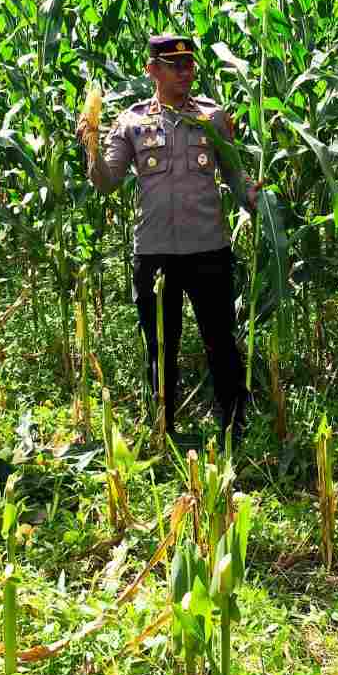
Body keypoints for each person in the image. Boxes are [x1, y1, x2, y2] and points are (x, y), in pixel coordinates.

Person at [76, 34, 254, 442]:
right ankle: (163, 429)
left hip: (208, 249)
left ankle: (234, 427)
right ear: (152, 70)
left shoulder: (212, 117)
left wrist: (254, 199)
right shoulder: (132, 122)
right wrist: (91, 147)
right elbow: (107, 181)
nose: (185, 73)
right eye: (175, 67)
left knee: (221, 343)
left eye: (189, 65)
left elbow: (234, 173)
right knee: (159, 346)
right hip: (155, 254)